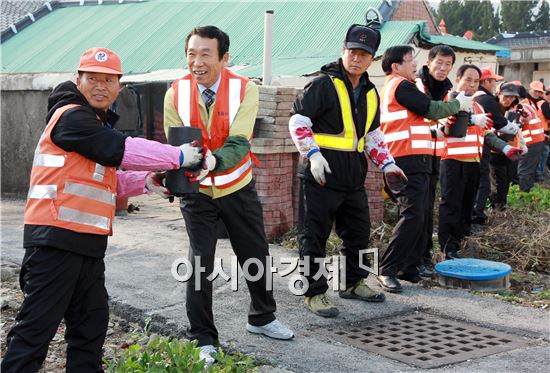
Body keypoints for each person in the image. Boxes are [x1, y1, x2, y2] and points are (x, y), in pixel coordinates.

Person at [1, 47, 203, 373]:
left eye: (108, 80)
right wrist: (179, 157)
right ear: (78, 80)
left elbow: (109, 181)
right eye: (92, 78)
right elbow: (119, 149)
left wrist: (148, 182)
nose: (100, 86)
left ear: (119, 87)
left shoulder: (94, 124)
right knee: (34, 336)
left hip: (88, 248)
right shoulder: (71, 117)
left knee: (90, 331)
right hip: (54, 245)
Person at [163, 26, 294, 366]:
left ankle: (262, 318)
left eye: (205, 54)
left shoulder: (244, 89)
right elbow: (174, 145)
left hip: (237, 185)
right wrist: (177, 175)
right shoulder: (174, 94)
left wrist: (213, 161)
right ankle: (203, 337)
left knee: (255, 252)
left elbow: (239, 141)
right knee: (199, 263)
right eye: (191, 54)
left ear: (224, 57)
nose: (197, 62)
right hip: (197, 192)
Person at [288, 24, 407, 317]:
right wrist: (313, 155)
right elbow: (298, 123)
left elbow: (372, 134)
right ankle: (314, 293)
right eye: (352, 51)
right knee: (313, 236)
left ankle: (353, 282)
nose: (356, 57)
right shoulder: (322, 84)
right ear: (343, 51)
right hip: (320, 176)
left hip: (353, 177)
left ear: (372, 59)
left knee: (358, 233)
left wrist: (388, 163)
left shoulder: (369, 92)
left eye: (363, 54)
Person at [376, 45, 473, 293]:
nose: (414, 65)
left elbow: (422, 119)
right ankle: (387, 269)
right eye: (410, 60)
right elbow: (430, 109)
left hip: (417, 157)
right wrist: (457, 105)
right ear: (396, 65)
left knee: (420, 215)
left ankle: (409, 267)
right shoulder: (402, 85)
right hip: (405, 157)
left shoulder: (399, 85)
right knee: (413, 214)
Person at [438, 65, 521, 259]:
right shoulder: (449, 101)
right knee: (451, 205)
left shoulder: (478, 105)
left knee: (467, 206)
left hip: (473, 162)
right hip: (452, 161)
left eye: (476, 81)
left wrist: (505, 147)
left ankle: (461, 242)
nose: (472, 85)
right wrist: (471, 119)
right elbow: (446, 125)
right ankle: (447, 248)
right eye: (468, 79)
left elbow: (486, 133)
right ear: (458, 78)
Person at [414, 45, 455, 276]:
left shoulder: (446, 90)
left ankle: (424, 255)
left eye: (447, 64)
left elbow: (443, 119)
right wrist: (433, 131)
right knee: (416, 209)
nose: (442, 68)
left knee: (427, 208)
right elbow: (419, 117)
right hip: (415, 153)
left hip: (435, 154)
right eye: (439, 62)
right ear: (429, 62)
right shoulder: (418, 85)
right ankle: (414, 257)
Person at [472, 67, 505, 225]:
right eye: (494, 81)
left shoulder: (476, 99)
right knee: (482, 183)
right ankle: (477, 216)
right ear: (486, 81)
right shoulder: (486, 99)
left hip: (476, 146)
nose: (495, 85)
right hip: (479, 147)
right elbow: (499, 123)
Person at [486, 82, 525, 210]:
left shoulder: (513, 110)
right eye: (506, 96)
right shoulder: (492, 107)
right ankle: (496, 207)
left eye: (512, 97)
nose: (509, 100)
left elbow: (516, 130)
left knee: (505, 180)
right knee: (497, 181)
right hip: (494, 151)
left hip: (509, 150)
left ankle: (502, 206)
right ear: (499, 94)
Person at [514, 82, 545, 192]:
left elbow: (519, 124)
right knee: (529, 170)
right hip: (536, 142)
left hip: (530, 142)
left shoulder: (522, 106)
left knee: (524, 170)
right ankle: (528, 193)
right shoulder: (529, 104)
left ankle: (524, 196)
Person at [535, 84, 550, 181]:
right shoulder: (543, 103)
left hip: (544, 132)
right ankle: (538, 173)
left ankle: (540, 172)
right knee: (544, 152)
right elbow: (548, 115)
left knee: (544, 152)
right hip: (540, 132)